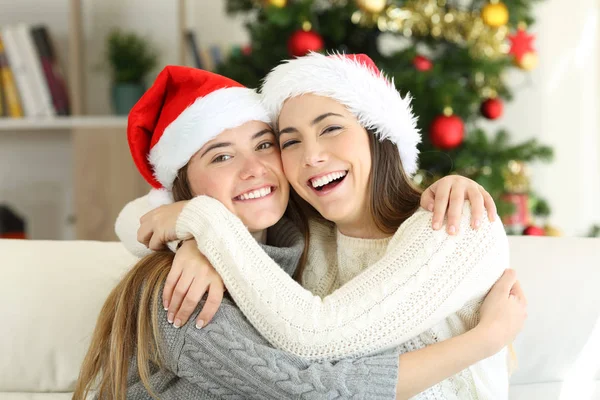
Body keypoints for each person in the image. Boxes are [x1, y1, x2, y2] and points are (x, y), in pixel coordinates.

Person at [127, 54, 525, 398]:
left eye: (331, 128)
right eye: (289, 141)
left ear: (377, 134)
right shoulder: (305, 234)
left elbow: (316, 337)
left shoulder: (455, 221)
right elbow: (138, 223)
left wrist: (200, 221)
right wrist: (195, 240)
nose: (312, 156)